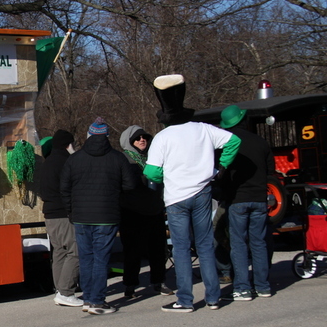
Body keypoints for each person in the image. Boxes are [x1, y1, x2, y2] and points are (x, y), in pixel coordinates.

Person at [144, 75, 241, 312]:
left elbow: (151, 172)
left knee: (181, 248)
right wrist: (221, 167)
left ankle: (185, 299)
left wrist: (166, 178)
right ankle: (213, 297)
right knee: (205, 245)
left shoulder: (162, 137)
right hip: (203, 192)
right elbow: (233, 140)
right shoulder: (204, 129)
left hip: (176, 198)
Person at [61, 117, 136, 315]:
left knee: (86, 258)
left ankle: (88, 298)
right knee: (101, 258)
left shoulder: (74, 159)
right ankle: (97, 301)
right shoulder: (117, 158)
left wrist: (71, 211)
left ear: (89, 135)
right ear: (107, 137)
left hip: (81, 216)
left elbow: (65, 188)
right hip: (107, 215)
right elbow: (130, 185)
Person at [218, 104, 276, 300]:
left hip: (237, 199)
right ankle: (263, 286)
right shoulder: (261, 142)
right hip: (259, 198)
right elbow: (270, 172)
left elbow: (220, 173)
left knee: (239, 244)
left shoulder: (226, 143)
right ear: (243, 120)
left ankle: (242, 287)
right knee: (259, 243)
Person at [118, 126, 174, 298]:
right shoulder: (123, 159)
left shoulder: (154, 157)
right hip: (131, 212)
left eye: (144, 137)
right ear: (129, 141)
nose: (142, 140)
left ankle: (159, 281)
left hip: (154, 209)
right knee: (132, 252)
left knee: (158, 250)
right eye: (137, 138)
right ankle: (130, 285)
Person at [39, 129, 82, 307]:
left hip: (50, 214)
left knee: (59, 252)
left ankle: (60, 289)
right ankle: (65, 292)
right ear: (68, 144)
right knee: (76, 251)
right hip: (63, 213)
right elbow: (71, 189)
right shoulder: (66, 162)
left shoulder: (47, 162)